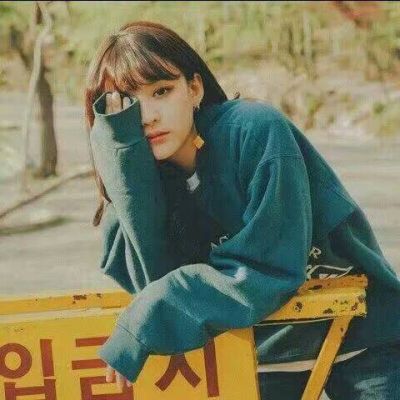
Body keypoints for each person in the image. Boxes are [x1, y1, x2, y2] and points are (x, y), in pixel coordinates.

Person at [84, 21, 400, 399]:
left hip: (359, 337)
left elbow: (267, 269)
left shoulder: (253, 130)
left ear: (194, 89)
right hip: (263, 354)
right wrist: (125, 159)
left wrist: (151, 313)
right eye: (127, 104)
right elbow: (153, 278)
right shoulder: (137, 181)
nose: (147, 116)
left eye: (162, 91)